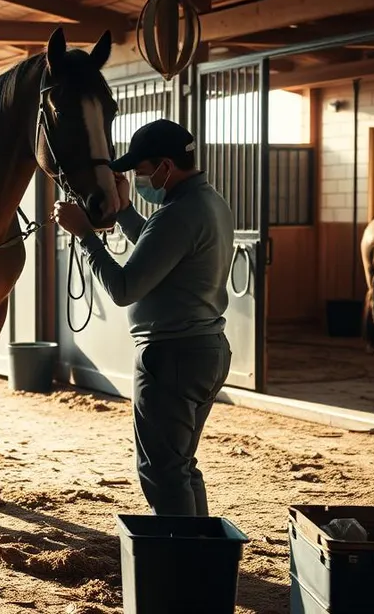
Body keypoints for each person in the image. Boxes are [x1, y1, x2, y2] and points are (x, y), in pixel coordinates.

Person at [51, 118, 234, 517]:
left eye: (143, 170)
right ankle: (198, 552)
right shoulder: (207, 202)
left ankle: (180, 564)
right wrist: (125, 211)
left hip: (172, 355)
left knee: (162, 471)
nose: (140, 177)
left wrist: (85, 236)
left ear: (165, 166)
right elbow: (161, 249)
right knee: (181, 465)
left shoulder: (177, 214)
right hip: (205, 349)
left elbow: (124, 288)